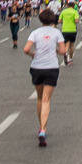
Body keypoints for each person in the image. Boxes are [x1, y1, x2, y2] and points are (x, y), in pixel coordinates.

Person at [24, 9, 66, 147]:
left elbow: (26, 49)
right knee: (47, 100)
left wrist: (32, 54)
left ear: (41, 19)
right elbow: (63, 51)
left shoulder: (35, 33)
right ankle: (43, 130)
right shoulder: (57, 33)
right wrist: (55, 50)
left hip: (37, 67)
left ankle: (40, 126)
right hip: (51, 68)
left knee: (40, 98)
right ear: (53, 19)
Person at [58, 0, 80, 64]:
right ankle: (70, 59)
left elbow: (59, 21)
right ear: (73, 6)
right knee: (72, 45)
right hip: (72, 30)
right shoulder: (75, 12)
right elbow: (76, 21)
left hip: (65, 29)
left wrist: (64, 22)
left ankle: (65, 53)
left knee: (66, 44)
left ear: (67, 5)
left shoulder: (63, 12)